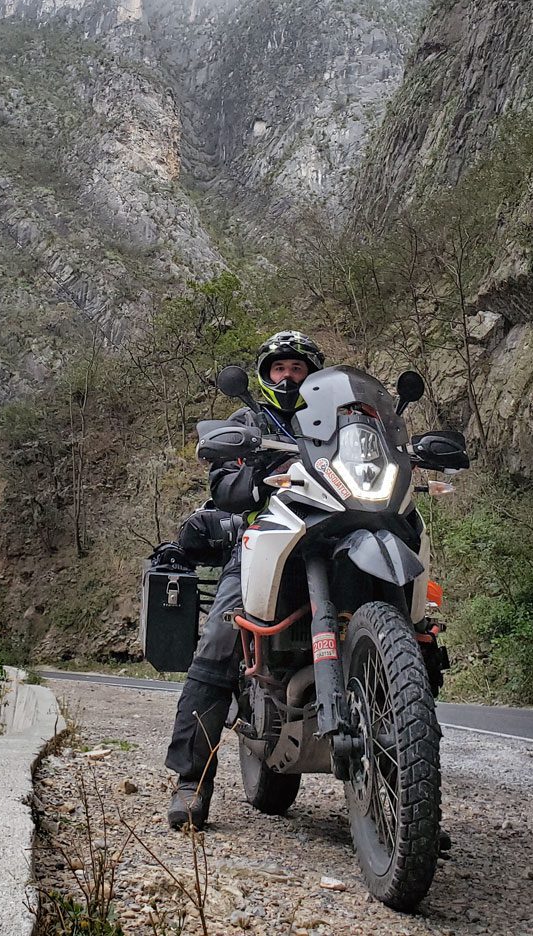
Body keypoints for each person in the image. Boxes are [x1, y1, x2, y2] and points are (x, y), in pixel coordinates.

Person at [166, 330, 326, 830]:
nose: (288, 375)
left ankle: (410, 781)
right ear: (265, 374)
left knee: (419, 627)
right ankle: (193, 781)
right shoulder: (248, 420)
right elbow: (222, 482)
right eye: (280, 367)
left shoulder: (342, 419)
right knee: (219, 638)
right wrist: (254, 478)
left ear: (314, 375)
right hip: (265, 537)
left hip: (334, 531)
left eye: (298, 368)